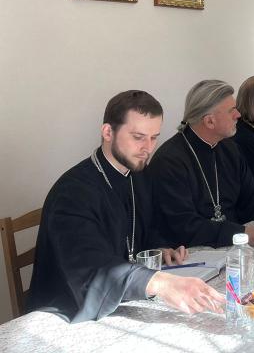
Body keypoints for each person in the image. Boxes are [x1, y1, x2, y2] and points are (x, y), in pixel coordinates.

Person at [28, 91, 224, 323]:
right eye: (138, 137)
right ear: (107, 132)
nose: (148, 148)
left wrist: (159, 249)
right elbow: (92, 268)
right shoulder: (72, 193)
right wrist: (161, 283)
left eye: (154, 137)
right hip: (67, 313)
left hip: (123, 302)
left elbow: (143, 230)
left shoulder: (137, 175)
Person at [149, 80, 254, 249]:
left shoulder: (229, 148)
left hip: (232, 246)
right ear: (209, 121)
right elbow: (184, 225)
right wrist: (245, 234)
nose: (238, 114)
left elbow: (253, 197)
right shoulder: (169, 161)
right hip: (193, 253)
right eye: (232, 110)